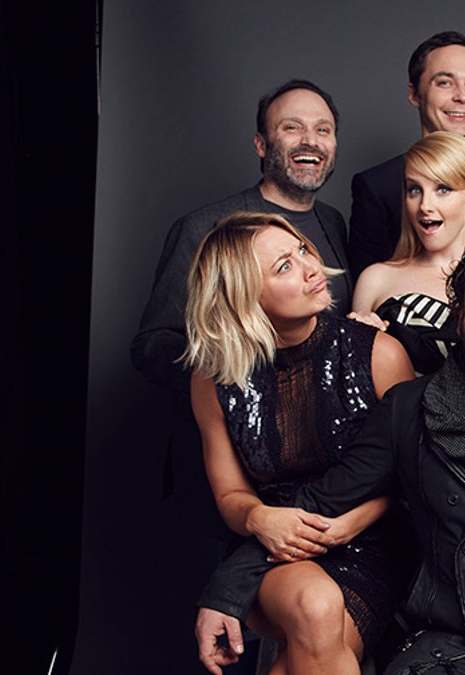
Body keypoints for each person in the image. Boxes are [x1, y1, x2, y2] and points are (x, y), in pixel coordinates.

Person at [199, 231, 465, 674]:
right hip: (448, 645)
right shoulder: (408, 409)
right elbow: (321, 502)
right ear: (459, 320)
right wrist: (225, 593)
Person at [185, 213, 415, 675]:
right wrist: (260, 518)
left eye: (303, 251)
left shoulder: (378, 354)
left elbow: (413, 479)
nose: (312, 267)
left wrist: (351, 524)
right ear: (244, 296)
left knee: (301, 652)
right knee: (313, 604)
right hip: (273, 553)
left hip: (371, 545)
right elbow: (230, 495)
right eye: (284, 266)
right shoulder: (215, 379)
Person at [130, 79, 351, 559]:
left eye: (323, 130)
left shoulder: (333, 223)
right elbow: (152, 347)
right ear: (261, 144)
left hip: (315, 469)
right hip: (237, 473)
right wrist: (244, 365)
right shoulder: (206, 227)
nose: (310, 141)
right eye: (292, 128)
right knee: (234, 620)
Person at [348, 31, 465, 275]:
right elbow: (365, 292)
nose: (462, 97)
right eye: (445, 82)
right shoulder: (376, 186)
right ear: (415, 94)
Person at [351, 131, 465, 374]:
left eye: (443, 189)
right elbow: (355, 383)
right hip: (395, 411)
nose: (425, 206)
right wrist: (357, 342)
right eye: (415, 190)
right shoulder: (375, 280)